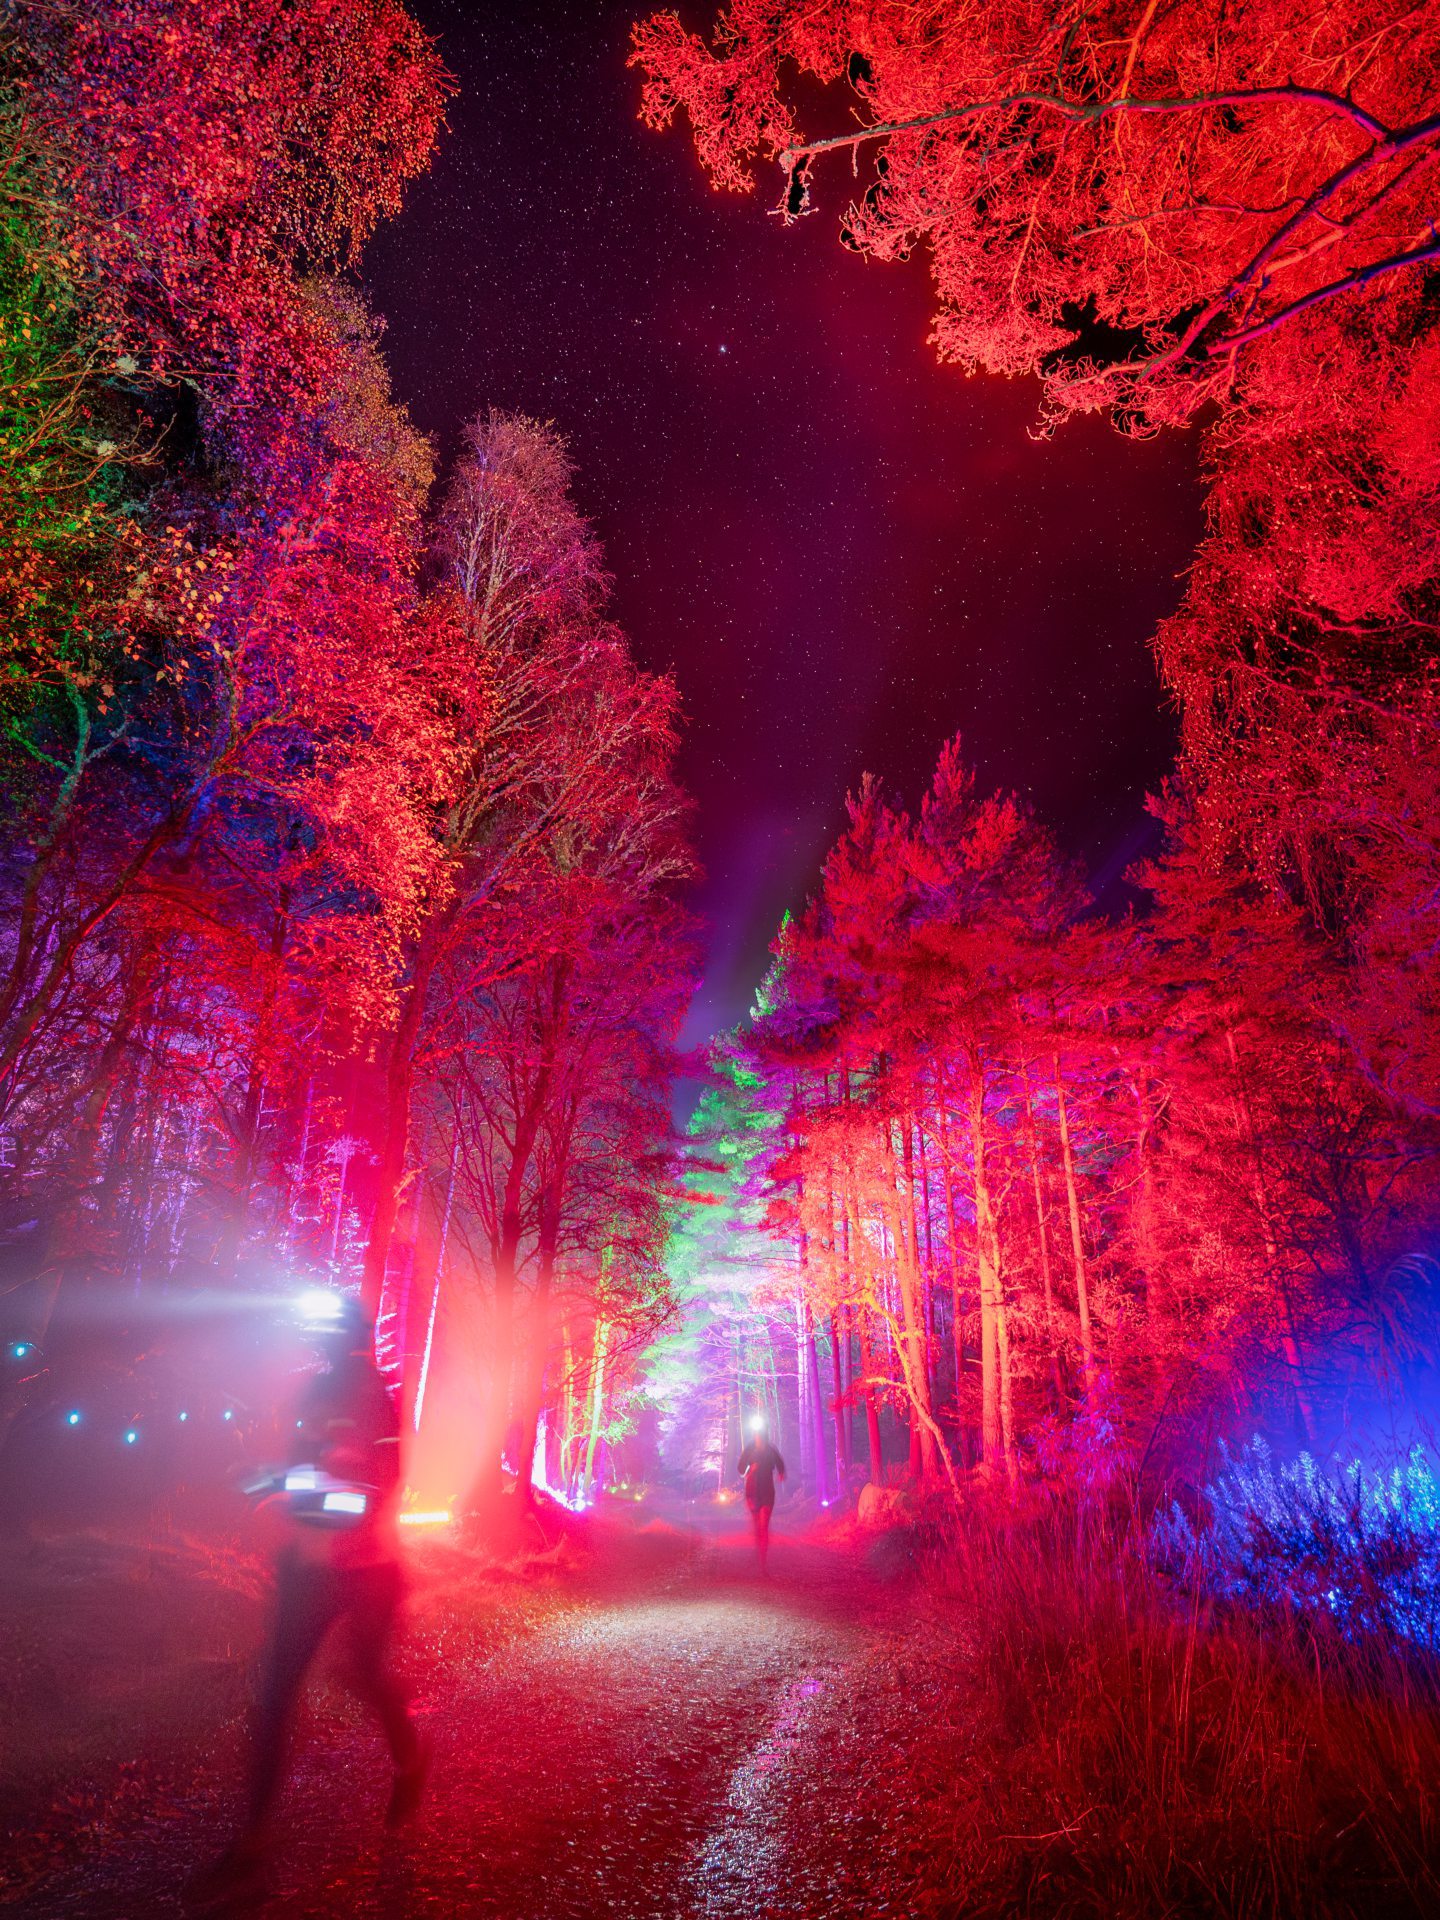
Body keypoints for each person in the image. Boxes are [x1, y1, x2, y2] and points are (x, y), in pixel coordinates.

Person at [194, 1296, 428, 1905]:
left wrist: (302, 1494)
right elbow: (301, 1469)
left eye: (331, 1332)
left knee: (363, 1672)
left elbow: (376, 1487)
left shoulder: (375, 1395)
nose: (322, 1342)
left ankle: (409, 1757)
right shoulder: (314, 1392)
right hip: (309, 1568)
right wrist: (260, 1482)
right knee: (275, 1697)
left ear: (352, 1338)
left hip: (364, 1570)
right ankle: (254, 1845)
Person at [736, 1419, 786, 1571]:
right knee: (758, 1524)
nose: (758, 1437)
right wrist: (750, 1470)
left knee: (764, 1525)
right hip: (752, 1491)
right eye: (757, 1434)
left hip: (767, 1492)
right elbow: (740, 1468)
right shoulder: (750, 1449)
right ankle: (759, 1552)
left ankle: (763, 1561)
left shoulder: (771, 1449)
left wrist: (781, 1474)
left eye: (761, 1434)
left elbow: (781, 1465)